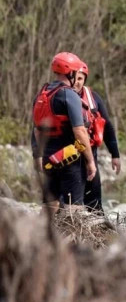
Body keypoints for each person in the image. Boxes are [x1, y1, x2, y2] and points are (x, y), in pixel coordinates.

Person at [31, 52, 96, 214]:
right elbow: (80, 131)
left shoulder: (42, 94)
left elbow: (37, 130)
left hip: (48, 158)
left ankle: (42, 230)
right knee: (74, 210)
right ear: (71, 73)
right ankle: (71, 231)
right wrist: (90, 161)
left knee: (50, 205)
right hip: (69, 158)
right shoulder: (69, 94)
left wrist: (39, 155)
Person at [74, 61, 121, 212]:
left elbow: (107, 126)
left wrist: (115, 154)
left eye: (80, 79)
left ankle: (96, 223)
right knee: (69, 202)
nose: (76, 82)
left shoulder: (93, 98)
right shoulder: (61, 97)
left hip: (90, 154)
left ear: (85, 80)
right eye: (74, 78)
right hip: (67, 157)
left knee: (94, 203)